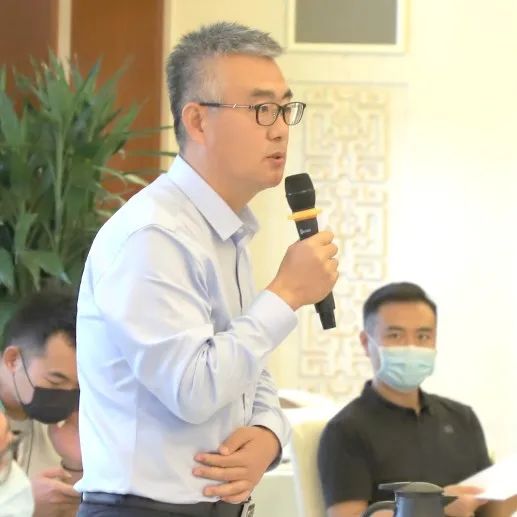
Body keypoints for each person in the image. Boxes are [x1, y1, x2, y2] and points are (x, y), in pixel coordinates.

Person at [76, 21, 338, 517]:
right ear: (197, 121)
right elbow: (192, 390)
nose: (280, 128)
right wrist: (285, 294)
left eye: (285, 108)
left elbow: (247, 363)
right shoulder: (153, 236)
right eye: (261, 109)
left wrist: (268, 433)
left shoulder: (225, 231)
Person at [318, 282, 491, 517]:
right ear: (366, 343)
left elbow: (492, 507)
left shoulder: (463, 418)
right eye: (395, 335)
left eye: (423, 336)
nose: (411, 346)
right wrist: (437, 508)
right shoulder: (346, 430)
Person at [0, 288, 81, 517]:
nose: (66, 394)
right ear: (13, 360)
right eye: (56, 381)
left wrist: (75, 465)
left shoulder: (65, 430)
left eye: (77, 387)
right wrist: (20, 505)